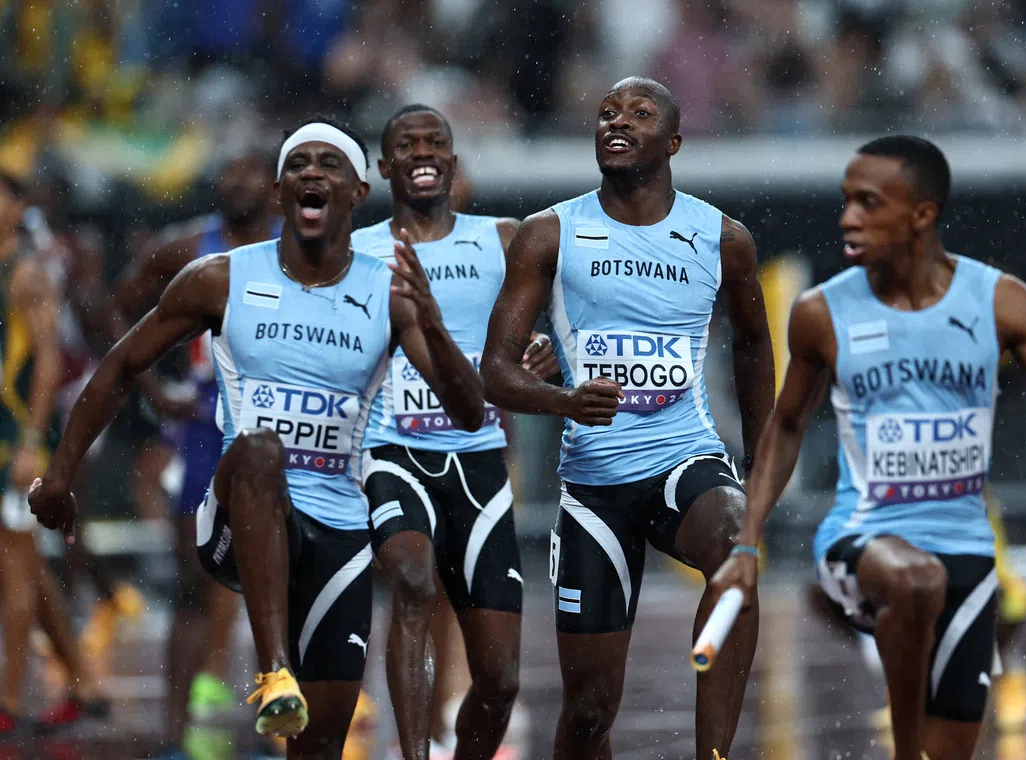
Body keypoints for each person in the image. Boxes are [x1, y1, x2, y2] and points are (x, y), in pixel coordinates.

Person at [29, 116, 487, 756]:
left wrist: (433, 325)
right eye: (298, 165)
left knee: (320, 741)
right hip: (238, 507)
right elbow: (121, 366)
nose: (311, 173)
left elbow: (468, 412)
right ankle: (272, 669)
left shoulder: (390, 294)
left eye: (329, 165)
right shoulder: (220, 277)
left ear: (357, 193)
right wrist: (59, 475)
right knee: (260, 452)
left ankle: (295, 689)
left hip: (338, 523)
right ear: (280, 196)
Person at [711, 135, 1026, 760]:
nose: (848, 217)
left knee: (953, 745)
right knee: (913, 579)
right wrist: (747, 541)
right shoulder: (822, 311)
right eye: (846, 200)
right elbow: (787, 426)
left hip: (966, 545)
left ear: (922, 214)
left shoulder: (999, 300)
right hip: (862, 533)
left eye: (868, 203)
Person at [480, 77, 776, 760]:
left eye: (640, 115)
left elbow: (756, 344)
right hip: (593, 488)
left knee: (736, 543)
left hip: (685, 458)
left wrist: (762, 461)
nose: (617, 122)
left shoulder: (723, 239)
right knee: (588, 712)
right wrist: (562, 402)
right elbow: (495, 370)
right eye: (607, 112)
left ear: (673, 142)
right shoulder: (548, 234)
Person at [352, 104, 557, 760]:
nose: (421, 151)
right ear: (384, 167)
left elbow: (551, 328)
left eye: (434, 141)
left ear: (452, 161)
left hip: (479, 461)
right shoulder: (357, 253)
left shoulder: (502, 238)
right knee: (413, 581)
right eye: (405, 143)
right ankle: (412, 752)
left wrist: (545, 353)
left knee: (499, 680)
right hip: (391, 452)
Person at [113, 150, 282, 743]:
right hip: (208, 424)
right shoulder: (188, 247)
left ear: (276, 186)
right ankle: (174, 734)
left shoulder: (305, 245)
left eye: (250, 171)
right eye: (228, 171)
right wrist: (155, 391)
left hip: (282, 421)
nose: (237, 180)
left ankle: (280, 726)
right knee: (192, 580)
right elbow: (119, 304)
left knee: (285, 577)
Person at [0, 172, 108, 735]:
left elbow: (47, 360)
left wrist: (30, 441)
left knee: (14, 565)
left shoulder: (27, 271)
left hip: (16, 435)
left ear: (18, 205)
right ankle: (86, 680)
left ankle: (10, 700)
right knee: (27, 569)